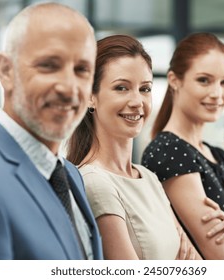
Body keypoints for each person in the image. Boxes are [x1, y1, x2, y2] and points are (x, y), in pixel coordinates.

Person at [0, 2, 102, 260]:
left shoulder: (70, 175)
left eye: (82, 70)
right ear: (6, 70)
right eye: (49, 65)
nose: (69, 88)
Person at [141, 32, 224, 259]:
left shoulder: (217, 155)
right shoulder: (169, 151)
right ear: (175, 80)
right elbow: (222, 257)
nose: (217, 94)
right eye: (204, 80)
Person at [67, 34, 201, 260]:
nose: (137, 101)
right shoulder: (95, 182)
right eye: (121, 88)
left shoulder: (149, 178)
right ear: (91, 96)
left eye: (145, 89)